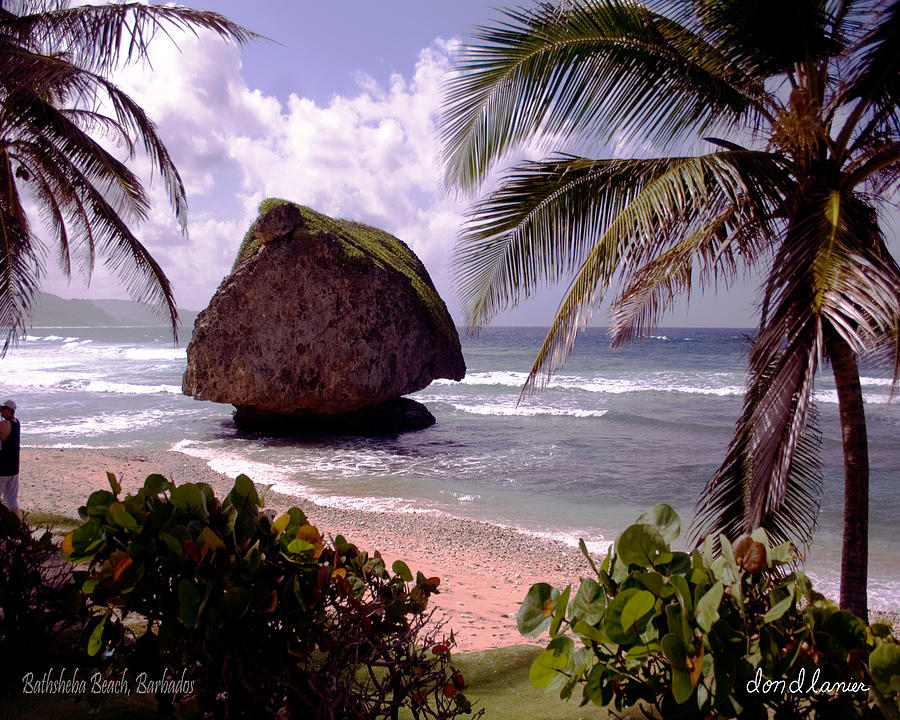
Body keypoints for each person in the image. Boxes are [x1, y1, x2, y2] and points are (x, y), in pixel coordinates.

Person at [0, 399, 20, 513]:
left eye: (3, 409)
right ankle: (16, 526)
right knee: (12, 500)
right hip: (14, 467)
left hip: (3, 468)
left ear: (8, 410)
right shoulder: (16, 422)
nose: (1, 412)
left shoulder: (4, 424)